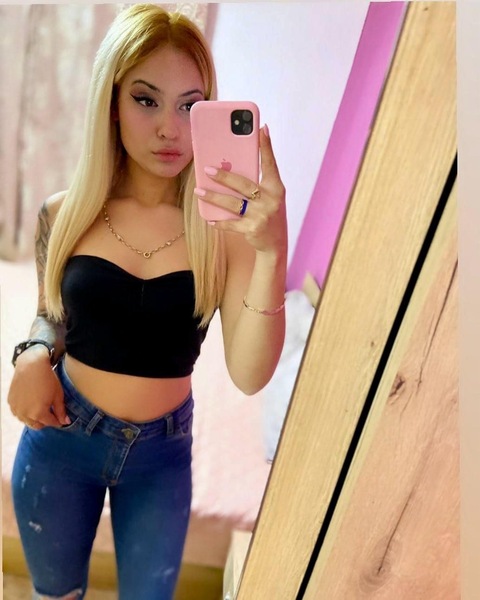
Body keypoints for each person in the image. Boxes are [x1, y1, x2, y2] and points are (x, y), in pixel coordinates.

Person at [7, 4, 287, 599]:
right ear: (111, 101)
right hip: (61, 436)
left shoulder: (226, 234)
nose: (170, 129)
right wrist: (31, 354)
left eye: (190, 106)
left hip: (161, 456)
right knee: (53, 595)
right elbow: (50, 313)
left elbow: (249, 376)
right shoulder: (63, 213)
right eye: (146, 99)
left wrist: (271, 252)